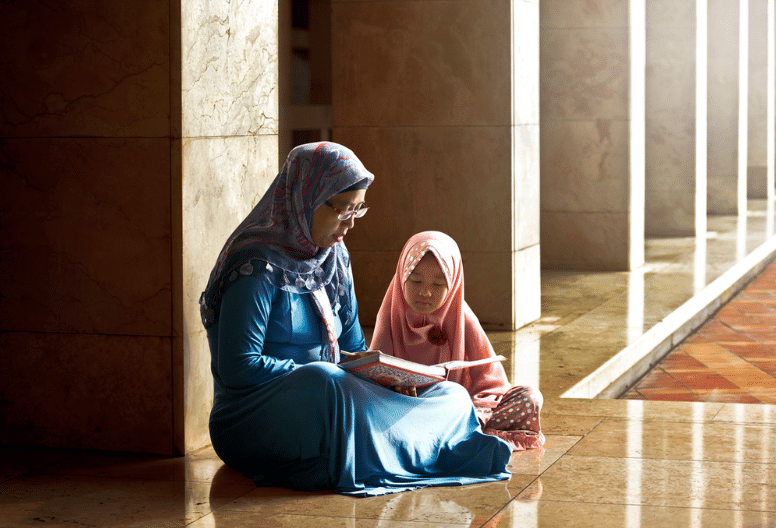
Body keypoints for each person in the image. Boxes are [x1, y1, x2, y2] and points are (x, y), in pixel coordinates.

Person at [199, 142, 512, 497]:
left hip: (333, 398)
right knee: (325, 377)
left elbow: (352, 350)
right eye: (342, 209)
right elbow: (240, 367)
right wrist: (326, 371)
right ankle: (410, 448)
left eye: (358, 209)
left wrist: (387, 378)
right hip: (254, 416)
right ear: (306, 197)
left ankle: (385, 449)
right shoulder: (255, 264)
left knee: (450, 396)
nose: (349, 222)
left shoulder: (334, 258)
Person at [370, 231, 545, 451]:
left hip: (454, 407)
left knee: (529, 396)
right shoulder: (390, 314)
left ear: (452, 285)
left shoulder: (462, 317)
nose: (425, 292)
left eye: (437, 284)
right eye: (415, 280)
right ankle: (456, 437)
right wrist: (396, 389)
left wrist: (475, 404)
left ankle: (455, 432)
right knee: (364, 405)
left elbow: (491, 380)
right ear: (402, 277)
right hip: (405, 407)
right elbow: (376, 376)